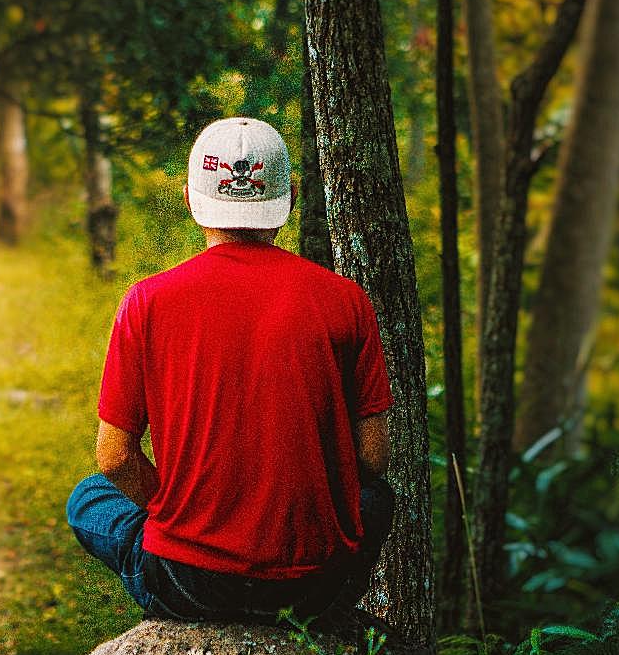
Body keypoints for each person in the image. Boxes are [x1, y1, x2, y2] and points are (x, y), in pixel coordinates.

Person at [66, 116, 395, 624]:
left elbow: (114, 459)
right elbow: (373, 461)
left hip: (191, 583)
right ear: (288, 200)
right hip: (314, 589)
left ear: (190, 198)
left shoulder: (148, 301)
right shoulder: (345, 300)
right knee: (376, 499)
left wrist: (185, 519)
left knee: (88, 498)